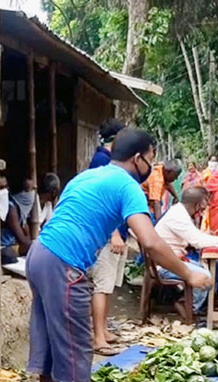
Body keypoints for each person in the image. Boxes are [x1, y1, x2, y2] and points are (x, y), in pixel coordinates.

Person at [27, 127, 212, 382]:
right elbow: (150, 242)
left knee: (48, 331)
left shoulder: (88, 176)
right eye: (151, 160)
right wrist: (188, 273)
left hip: (39, 254)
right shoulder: (128, 186)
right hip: (64, 262)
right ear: (138, 158)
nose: (152, 168)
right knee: (75, 338)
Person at [154, 187, 218, 315]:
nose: (205, 207)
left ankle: (194, 302)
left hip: (172, 260)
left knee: (213, 269)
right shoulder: (177, 216)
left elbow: (194, 236)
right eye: (204, 203)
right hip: (165, 265)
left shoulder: (180, 212)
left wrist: (216, 237)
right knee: (205, 276)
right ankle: (189, 307)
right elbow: (197, 241)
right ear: (197, 204)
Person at [87, 118, 128, 355]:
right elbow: (102, 201)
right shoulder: (102, 161)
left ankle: (104, 330)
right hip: (108, 235)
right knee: (101, 286)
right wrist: (114, 233)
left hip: (117, 233)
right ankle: (98, 337)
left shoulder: (110, 160)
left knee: (109, 285)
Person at [0, 177, 35, 265]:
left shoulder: (22, 212)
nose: (31, 194)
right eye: (28, 190)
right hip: (4, 246)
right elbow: (23, 239)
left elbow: (27, 237)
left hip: (14, 245)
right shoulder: (11, 209)